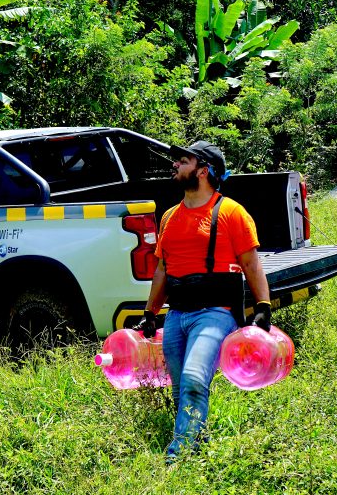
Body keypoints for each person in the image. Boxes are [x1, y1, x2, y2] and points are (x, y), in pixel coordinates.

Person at [135, 140, 272, 463]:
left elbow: (251, 263)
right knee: (181, 388)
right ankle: (198, 442)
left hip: (216, 313)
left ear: (205, 171)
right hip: (177, 312)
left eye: (184, 161)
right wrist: (151, 313)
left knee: (196, 377)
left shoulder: (231, 213)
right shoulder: (169, 216)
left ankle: (178, 456)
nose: (175, 166)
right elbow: (163, 270)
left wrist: (263, 307)